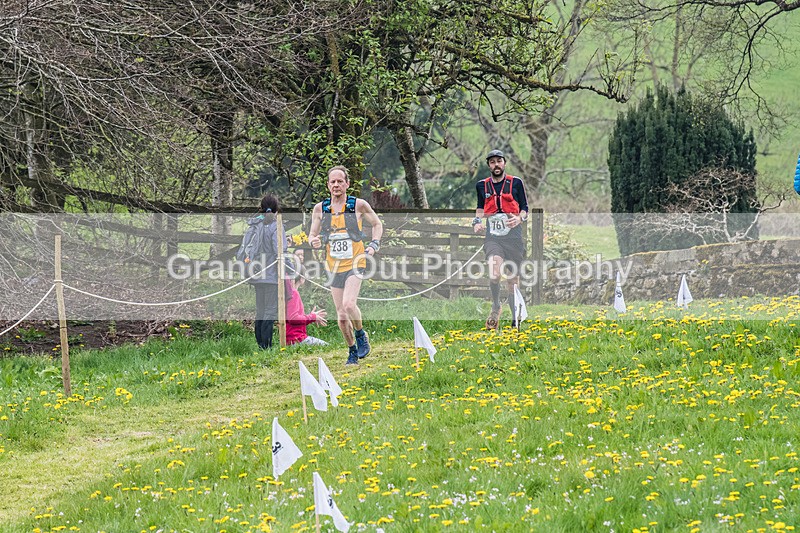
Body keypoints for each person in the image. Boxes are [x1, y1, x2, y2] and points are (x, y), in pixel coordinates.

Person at [308, 165, 383, 365]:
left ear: (347, 184)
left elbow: (377, 224)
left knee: (349, 304)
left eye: (340, 181)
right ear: (328, 185)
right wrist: (313, 241)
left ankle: (360, 334)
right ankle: (352, 350)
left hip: (355, 262)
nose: (336, 185)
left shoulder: (358, 205)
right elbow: (312, 234)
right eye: (332, 182)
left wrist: (374, 245)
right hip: (333, 266)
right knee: (341, 315)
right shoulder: (320, 209)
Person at [472, 149, 529, 330]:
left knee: (512, 281)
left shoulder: (516, 183)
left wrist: (519, 218)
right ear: (488, 165)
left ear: (504, 163)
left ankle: (514, 319)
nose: (496, 165)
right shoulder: (482, 186)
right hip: (493, 238)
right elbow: (480, 208)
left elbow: (525, 208)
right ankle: (496, 305)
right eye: (492, 162)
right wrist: (477, 222)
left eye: (499, 161)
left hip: (513, 238)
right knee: (495, 274)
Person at [243, 194, 288, 349]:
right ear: (277, 209)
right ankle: (266, 346)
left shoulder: (256, 224)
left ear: (261, 208)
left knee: (260, 310)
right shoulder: (276, 226)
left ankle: (260, 344)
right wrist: (290, 270)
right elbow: (279, 251)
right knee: (269, 310)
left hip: (256, 274)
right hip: (271, 275)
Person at [286, 253, 329, 346]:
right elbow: (293, 319)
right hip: (297, 339)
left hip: (293, 339)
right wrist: (312, 317)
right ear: (302, 278)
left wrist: (311, 317)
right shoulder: (293, 293)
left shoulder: (287, 293)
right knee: (328, 346)